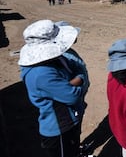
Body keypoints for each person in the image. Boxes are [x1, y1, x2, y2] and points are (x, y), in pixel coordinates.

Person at [18, 19, 89, 157]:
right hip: (60, 128)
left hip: (65, 121)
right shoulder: (41, 73)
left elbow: (67, 84)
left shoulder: (50, 63)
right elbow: (72, 95)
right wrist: (80, 79)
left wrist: (71, 82)